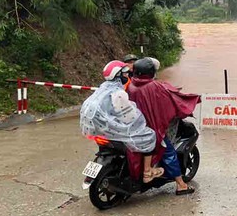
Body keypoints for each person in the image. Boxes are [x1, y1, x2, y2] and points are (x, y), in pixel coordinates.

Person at [80, 60, 164, 183]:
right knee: (149, 135)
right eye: (124, 74)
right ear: (117, 75)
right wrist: (143, 118)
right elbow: (130, 117)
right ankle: (147, 172)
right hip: (107, 128)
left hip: (92, 128)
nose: (127, 76)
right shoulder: (118, 93)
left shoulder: (103, 88)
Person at [127, 58, 201, 195]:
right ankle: (180, 185)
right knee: (168, 151)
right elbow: (172, 101)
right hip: (151, 128)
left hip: (134, 127)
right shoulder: (154, 86)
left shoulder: (131, 85)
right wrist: (191, 100)